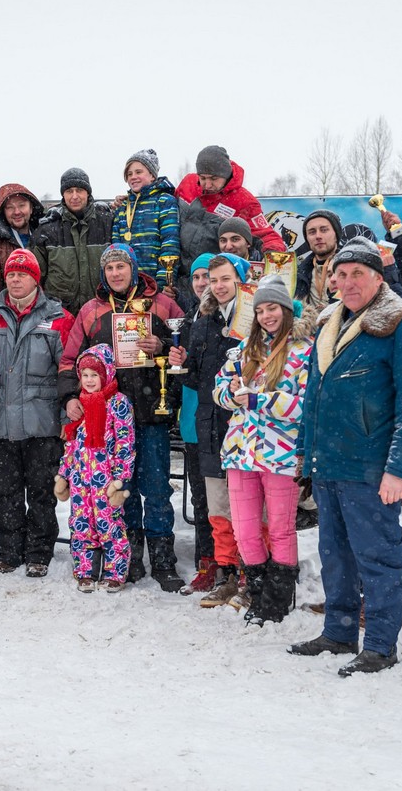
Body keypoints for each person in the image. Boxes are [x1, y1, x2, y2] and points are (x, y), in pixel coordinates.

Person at [289, 238, 402, 676]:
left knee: (378, 556)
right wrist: (305, 453)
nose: (348, 281)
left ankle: (380, 645)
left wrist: (398, 469)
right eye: (341, 274)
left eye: (358, 273)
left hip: (371, 468)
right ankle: (338, 632)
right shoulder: (328, 324)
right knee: (335, 552)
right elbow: (314, 394)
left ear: (378, 278)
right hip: (330, 463)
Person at [58, 243, 185, 591]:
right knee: (119, 488)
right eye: (110, 268)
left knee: (157, 488)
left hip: (150, 412)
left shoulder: (161, 303)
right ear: (103, 273)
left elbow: (183, 341)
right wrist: (70, 397)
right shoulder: (91, 310)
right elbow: (69, 360)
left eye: (121, 267)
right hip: (107, 419)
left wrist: (161, 345)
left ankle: (163, 559)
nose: (116, 273)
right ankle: (128, 556)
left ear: (133, 268)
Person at [214, 275, 314, 624]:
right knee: (244, 529)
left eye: (272, 308)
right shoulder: (245, 349)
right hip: (241, 452)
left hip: (282, 454)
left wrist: (259, 400)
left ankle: (278, 598)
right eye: (260, 310)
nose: (266, 316)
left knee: (282, 529)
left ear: (286, 310)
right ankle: (257, 592)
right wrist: (232, 394)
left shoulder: (305, 350)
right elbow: (220, 389)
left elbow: (305, 404)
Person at [0, 249, 74, 577]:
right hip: (1, 421)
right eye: (11, 274)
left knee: (41, 491)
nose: (16, 279)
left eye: (23, 273)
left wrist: (65, 418)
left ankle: (38, 552)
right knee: (5, 491)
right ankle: (6, 552)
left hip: (42, 422)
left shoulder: (59, 317)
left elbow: (67, 370)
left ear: (36, 278)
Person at [170, 252, 252, 605]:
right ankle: (227, 572)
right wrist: (182, 365)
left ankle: (254, 574)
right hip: (210, 423)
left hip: (246, 424)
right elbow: (199, 377)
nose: (216, 285)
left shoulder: (255, 317)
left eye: (223, 278)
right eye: (212, 279)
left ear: (241, 279)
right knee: (216, 506)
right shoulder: (202, 320)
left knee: (248, 507)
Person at [55, 344, 135, 592]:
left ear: (106, 374)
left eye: (94, 375)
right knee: (81, 524)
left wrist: (120, 480)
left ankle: (115, 571)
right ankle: (85, 570)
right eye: (85, 376)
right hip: (81, 478)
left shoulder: (118, 403)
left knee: (110, 525)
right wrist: (63, 474)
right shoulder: (80, 404)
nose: (89, 381)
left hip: (106, 480)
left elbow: (125, 443)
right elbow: (71, 444)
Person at [173, 253, 215, 594]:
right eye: (198, 277)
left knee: (227, 503)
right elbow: (183, 378)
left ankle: (236, 566)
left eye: (209, 276)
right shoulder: (186, 323)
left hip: (224, 422)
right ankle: (208, 562)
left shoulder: (231, 320)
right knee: (200, 500)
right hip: (193, 422)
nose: (203, 283)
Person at [295, 210, 402, 310]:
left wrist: (397, 233)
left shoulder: (361, 268)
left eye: (324, 230)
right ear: (307, 238)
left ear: (336, 234)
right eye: (312, 232)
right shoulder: (297, 274)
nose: (318, 236)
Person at [34, 168, 113, 316]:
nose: (74, 196)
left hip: (102, 312)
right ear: (63, 194)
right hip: (60, 314)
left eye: (79, 190)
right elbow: (35, 278)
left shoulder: (108, 223)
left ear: (88, 192)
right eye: (69, 191)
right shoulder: (47, 230)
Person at [175, 145, 285, 252]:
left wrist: (273, 252)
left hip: (215, 266)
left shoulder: (245, 201)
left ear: (226, 175)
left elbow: (266, 236)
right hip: (176, 263)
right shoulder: (188, 184)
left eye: (214, 178)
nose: (207, 185)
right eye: (203, 178)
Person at [112, 149, 181, 290]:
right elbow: (115, 248)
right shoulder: (123, 207)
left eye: (139, 172)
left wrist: (162, 284)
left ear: (152, 176)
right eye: (129, 174)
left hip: (154, 283)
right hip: (127, 284)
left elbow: (169, 244)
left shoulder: (164, 202)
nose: (133, 177)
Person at [0, 183, 44, 312]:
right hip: (9, 322)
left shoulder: (47, 238)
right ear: (3, 212)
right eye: (10, 208)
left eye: (22, 205)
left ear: (31, 208)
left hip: (45, 319)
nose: (17, 212)